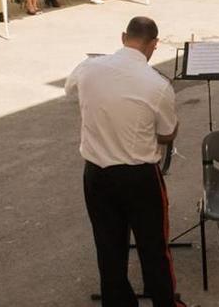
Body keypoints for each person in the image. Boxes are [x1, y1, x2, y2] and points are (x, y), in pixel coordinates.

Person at [65, 17, 186, 307]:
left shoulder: (88, 67)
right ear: (154, 45)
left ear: (123, 37)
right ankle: (164, 302)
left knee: (108, 247)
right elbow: (167, 134)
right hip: (139, 176)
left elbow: (70, 91)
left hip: (96, 173)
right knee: (154, 248)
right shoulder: (157, 85)